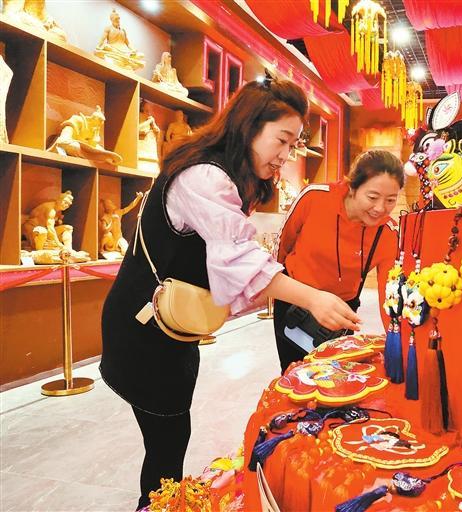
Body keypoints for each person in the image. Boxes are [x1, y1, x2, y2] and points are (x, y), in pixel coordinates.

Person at [100, 79, 360, 510]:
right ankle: (156, 504)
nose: (286, 154)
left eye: (293, 144)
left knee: (170, 434)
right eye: (282, 140)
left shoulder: (228, 175)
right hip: (143, 326)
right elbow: (241, 260)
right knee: (167, 441)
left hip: (172, 326)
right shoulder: (204, 176)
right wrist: (314, 297)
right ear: (249, 126)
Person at [274, 150, 404, 371]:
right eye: (372, 197)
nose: (380, 208)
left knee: (335, 376)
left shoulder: (388, 233)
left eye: (391, 200)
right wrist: (275, 287)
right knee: (295, 373)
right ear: (352, 187)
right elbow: (282, 247)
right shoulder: (314, 198)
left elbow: (389, 298)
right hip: (295, 303)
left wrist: (397, 343)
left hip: (340, 314)